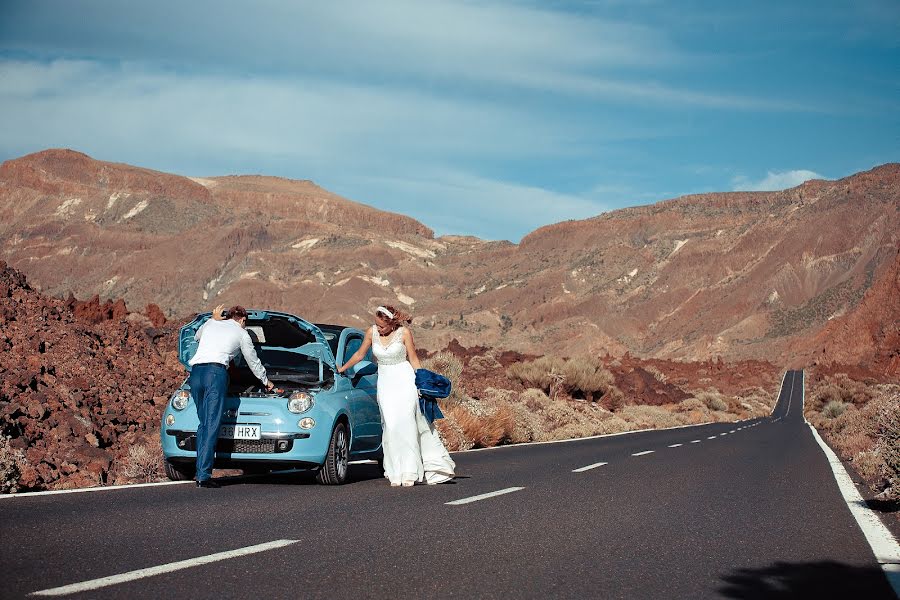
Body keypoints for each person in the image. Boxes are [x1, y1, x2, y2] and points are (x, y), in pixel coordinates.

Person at [338, 305, 455, 486]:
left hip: (405, 380)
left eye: (382, 326)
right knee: (391, 426)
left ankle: (409, 472)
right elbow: (360, 354)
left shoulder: (404, 333)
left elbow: (413, 359)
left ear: (392, 323)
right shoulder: (371, 333)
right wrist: (342, 369)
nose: (378, 329)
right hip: (385, 383)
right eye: (376, 325)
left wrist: (422, 382)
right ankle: (395, 470)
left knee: (407, 424)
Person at [188, 304, 276, 488]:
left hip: (195, 374)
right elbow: (253, 361)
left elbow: (195, 336)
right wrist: (266, 382)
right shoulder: (242, 334)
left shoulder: (211, 323)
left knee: (204, 424)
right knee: (212, 425)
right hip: (215, 374)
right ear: (243, 320)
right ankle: (203, 476)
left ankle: (200, 472)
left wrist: (212, 320)